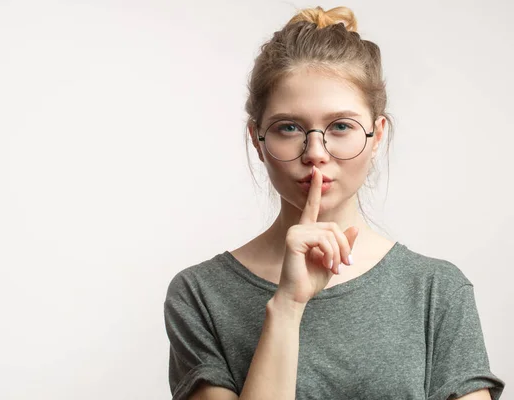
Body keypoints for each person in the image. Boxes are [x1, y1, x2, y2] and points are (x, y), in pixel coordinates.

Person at [163, 6, 506, 400]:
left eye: (341, 126)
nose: (315, 152)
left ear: (377, 135)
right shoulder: (201, 294)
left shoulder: (436, 290)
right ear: (257, 139)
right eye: (288, 127)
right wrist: (288, 307)